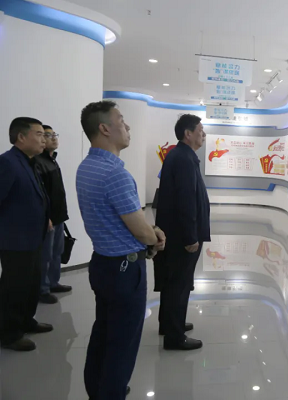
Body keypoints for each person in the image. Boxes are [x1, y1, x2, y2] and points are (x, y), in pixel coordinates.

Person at [76, 101, 166, 400]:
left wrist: (148, 233)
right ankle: (112, 392)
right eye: (122, 121)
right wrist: (155, 237)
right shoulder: (115, 173)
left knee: (103, 332)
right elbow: (139, 229)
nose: (127, 127)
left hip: (103, 263)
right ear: (104, 128)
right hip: (124, 270)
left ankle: (98, 389)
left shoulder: (87, 167)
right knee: (122, 343)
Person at [154, 114, 210, 351]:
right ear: (188, 134)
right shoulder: (184, 159)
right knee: (179, 283)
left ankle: (168, 323)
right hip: (181, 236)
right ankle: (174, 336)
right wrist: (190, 237)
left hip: (174, 233)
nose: (203, 134)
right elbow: (186, 200)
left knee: (174, 281)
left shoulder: (180, 155)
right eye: (200, 130)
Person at [0, 117, 54, 352]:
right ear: (21, 137)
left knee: (31, 284)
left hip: (33, 237)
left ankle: (26, 321)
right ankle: (9, 333)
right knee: (14, 287)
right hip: (15, 239)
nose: (44, 139)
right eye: (39, 134)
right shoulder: (8, 163)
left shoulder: (29, 162)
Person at [36, 125, 72, 304]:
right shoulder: (37, 162)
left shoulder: (52, 160)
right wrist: (46, 216)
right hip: (48, 219)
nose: (53, 138)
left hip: (59, 216)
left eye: (54, 134)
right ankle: (42, 289)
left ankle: (53, 283)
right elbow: (40, 194)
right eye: (48, 135)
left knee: (57, 252)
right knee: (45, 255)